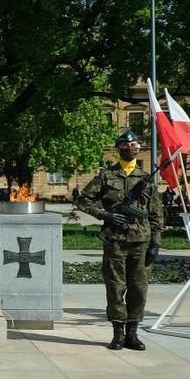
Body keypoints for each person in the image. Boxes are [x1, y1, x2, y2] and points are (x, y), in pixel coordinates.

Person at [77, 129, 163, 351]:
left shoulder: (146, 179)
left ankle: (132, 334)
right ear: (119, 148)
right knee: (115, 287)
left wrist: (156, 242)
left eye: (135, 145)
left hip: (141, 241)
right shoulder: (106, 176)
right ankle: (118, 333)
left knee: (139, 288)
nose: (132, 148)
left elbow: (155, 214)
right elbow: (83, 200)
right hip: (114, 240)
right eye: (127, 145)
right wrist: (103, 214)